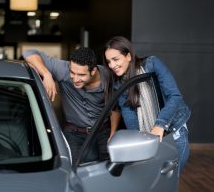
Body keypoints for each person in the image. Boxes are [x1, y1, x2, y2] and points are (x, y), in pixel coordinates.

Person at [103, 36, 191, 174]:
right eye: (108, 61)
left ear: (128, 56)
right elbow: (129, 115)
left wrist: (159, 125)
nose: (112, 65)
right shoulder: (119, 84)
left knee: (170, 181)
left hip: (174, 131)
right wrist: (140, 139)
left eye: (115, 59)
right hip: (150, 137)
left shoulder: (152, 64)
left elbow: (174, 96)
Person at [23, 47, 120, 164]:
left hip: (103, 132)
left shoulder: (109, 77)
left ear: (93, 71)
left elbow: (116, 107)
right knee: (73, 172)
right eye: (72, 73)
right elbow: (29, 53)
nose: (75, 78)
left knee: (109, 170)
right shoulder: (63, 69)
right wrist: (46, 74)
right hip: (74, 133)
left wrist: (113, 133)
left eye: (81, 75)